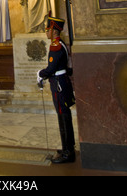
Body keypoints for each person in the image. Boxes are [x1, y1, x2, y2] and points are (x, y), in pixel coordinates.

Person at [37, 16, 76, 164]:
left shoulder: (56, 46)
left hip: (59, 85)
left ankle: (68, 153)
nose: (46, 32)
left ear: (53, 30)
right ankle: (67, 147)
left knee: (63, 116)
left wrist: (41, 74)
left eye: (47, 30)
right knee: (63, 115)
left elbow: (51, 68)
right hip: (62, 82)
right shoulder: (60, 44)